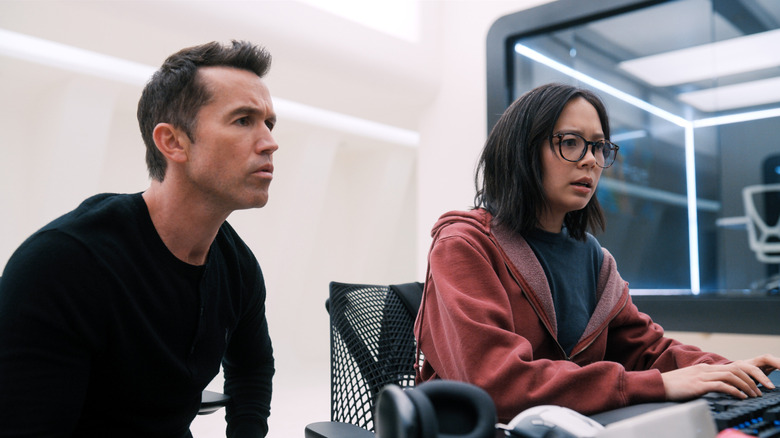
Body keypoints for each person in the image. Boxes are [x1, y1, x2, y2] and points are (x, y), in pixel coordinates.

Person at [414, 82, 780, 423]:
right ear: (521, 151)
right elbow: (495, 382)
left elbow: (646, 349)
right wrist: (658, 385)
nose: (590, 160)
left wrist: (728, 371)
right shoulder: (464, 246)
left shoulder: (594, 259)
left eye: (598, 147)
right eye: (571, 142)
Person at [0, 41, 277, 437]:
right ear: (173, 142)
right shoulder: (63, 264)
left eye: (269, 123)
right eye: (243, 120)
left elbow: (252, 369)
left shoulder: (237, 265)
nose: (269, 141)